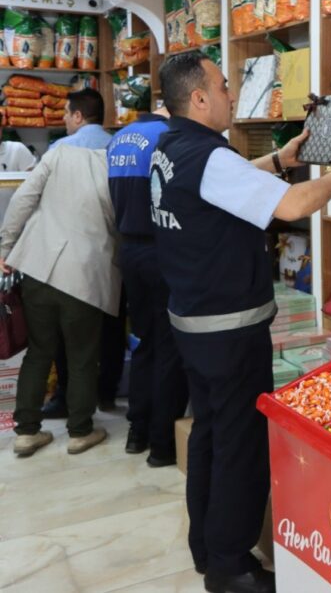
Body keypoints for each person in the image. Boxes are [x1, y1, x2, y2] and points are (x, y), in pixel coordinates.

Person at [152, 51, 331, 593]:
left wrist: (279, 158)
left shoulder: (173, 147)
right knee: (240, 444)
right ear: (198, 98)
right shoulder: (207, 153)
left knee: (210, 433)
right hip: (228, 329)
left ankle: (206, 547)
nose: (230, 94)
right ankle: (231, 566)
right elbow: (292, 207)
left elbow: (221, 187)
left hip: (194, 322)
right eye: (224, 86)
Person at [0, 143, 120, 457]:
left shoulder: (58, 154)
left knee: (39, 352)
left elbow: (22, 200)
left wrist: (6, 246)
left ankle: (26, 432)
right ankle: (80, 432)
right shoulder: (118, 169)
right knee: (82, 356)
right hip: (85, 274)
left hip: (38, 266)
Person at [107, 106, 189, 467]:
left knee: (142, 342)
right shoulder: (166, 137)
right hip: (161, 250)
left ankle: (136, 431)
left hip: (129, 250)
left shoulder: (118, 139)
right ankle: (162, 445)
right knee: (169, 345)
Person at [40, 88, 126, 418]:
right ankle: (107, 393)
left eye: (65, 113)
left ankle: (68, 395)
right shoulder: (120, 147)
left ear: (78, 116)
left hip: (73, 252)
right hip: (116, 250)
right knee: (113, 324)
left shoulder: (60, 149)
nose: (64, 119)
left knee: (68, 328)